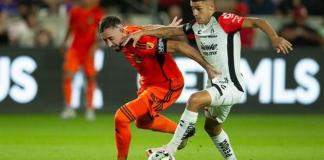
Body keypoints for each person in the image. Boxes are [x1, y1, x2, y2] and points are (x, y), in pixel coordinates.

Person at [123, 0, 293, 159]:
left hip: (232, 85)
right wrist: (143, 31)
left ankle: (170, 149)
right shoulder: (196, 27)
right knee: (211, 127)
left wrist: (275, 38)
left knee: (194, 99)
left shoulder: (224, 21)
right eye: (192, 9)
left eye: (199, 8)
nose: (195, 13)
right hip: (215, 85)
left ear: (211, 7)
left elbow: (258, 22)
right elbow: (171, 31)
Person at [98, 16, 218, 160]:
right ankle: (183, 131)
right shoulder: (128, 33)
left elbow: (180, 46)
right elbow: (148, 27)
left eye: (111, 38)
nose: (109, 44)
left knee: (121, 117)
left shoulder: (141, 43)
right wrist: (166, 29)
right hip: (148, 84)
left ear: (121, 30)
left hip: (166, 86)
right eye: (105, 40)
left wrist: (208, 67)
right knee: (142, 122)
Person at [60, 0, 104, 121]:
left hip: (88, 50)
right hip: (75, 49)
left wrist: (95, 46)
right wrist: (64, 42)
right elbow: (70, 27)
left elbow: (101, 33)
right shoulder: (75, 11)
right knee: (68, 76)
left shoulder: (98, 13)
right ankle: (69, 108)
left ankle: (90, 109)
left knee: (90, 77)